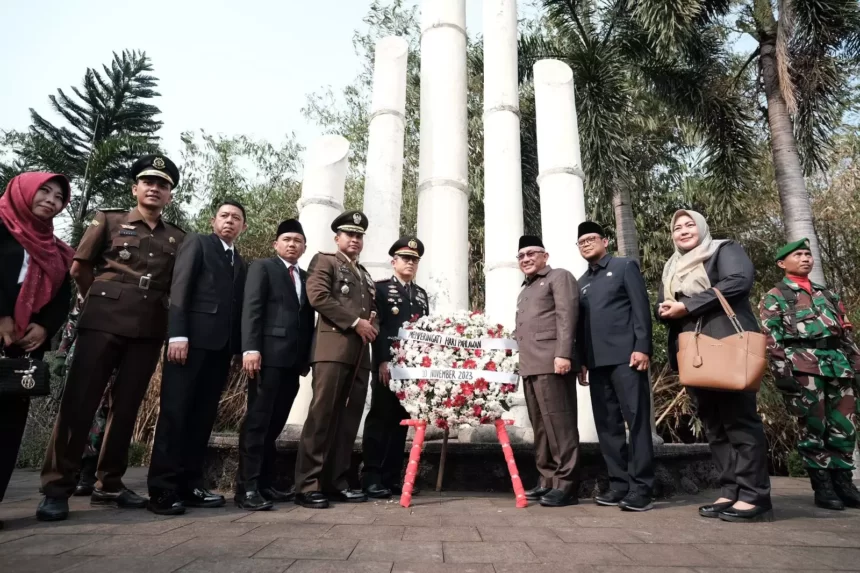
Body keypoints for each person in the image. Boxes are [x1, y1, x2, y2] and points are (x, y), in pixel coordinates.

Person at [38, 154, 186, 522]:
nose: (155, 188)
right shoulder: (109, 219)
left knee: (127, 408)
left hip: (149, 328)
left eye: (163, 184)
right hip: (102, 323)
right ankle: (57, 487)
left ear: (170, 195)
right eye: (148, 181)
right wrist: (103, 299)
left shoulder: (177, 237)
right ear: (135, 187)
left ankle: (110, 483)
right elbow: (81, 267)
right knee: (79, 403)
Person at [656, 209, 772, 523]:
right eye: (677, 227)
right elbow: (663, 303)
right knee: (714, 425)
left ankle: (754, 495)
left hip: (726, 344)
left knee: (739, 421)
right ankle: (730, 488)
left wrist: (688, 305)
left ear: (702, 227)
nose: (682, 230)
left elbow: (738, 282)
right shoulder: (672, 266)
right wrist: (664, 309)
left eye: (689, 224)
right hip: (692, 352)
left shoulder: (723, 249)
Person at [146, 200, 248, 515]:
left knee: (202, 417)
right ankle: (162, 490)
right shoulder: (199, 243)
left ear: (243, 227)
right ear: (213, 220)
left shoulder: (239, 262)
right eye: (225, 216)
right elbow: (180, 289)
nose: (230, 221)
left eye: (236, 218)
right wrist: (177, 334)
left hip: (220, 349)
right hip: (188, 344)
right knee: (176, 415)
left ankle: (189, 483)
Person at [760, 238, 860, 510]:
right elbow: (772, 339)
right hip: (804, 368)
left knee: (844, 426)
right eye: (799, 255)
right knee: (814, 427)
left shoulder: (828, 294)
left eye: (808, 254)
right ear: (783, 263)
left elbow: (845, 335)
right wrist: (782, 375)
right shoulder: (776, 295)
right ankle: (823, 486)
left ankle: (843, 482)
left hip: (838, 367)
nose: (806, 258)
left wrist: (856, 366)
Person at [0, 173, 74, 529]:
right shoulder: (2, 229)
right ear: (24, 190)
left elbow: (63, 294)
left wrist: (44, 326)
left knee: (8, 427)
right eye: (44, 191)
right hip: (1, 333)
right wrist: (2, 316)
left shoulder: (54, 248)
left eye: (58, 197)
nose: (51, 199)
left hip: (25, 349)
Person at [294, 210, 378, 509]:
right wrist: (357, 323)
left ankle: (335, 482)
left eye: (359, 236)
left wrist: (372, 324)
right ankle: (307, 485)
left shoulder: (365, 274)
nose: (354, 239)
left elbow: (373, 312)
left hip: (359, 355)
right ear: (337, 238)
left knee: (348, 420)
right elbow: (317, 296)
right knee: (322, 417)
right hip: (332, 351)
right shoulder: (325, 261)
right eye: (349, 234)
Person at [575, 221, 656, 511]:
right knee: (607, 427)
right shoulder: (581, 282)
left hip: (627, 359)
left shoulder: (623, 267)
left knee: (636, 422)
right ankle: (619, 484)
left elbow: (640, 308)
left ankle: (642, 487)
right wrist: (582, 361)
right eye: (581, 241)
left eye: (591, 238)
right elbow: (581, 327)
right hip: (597, 365)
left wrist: (642, 346)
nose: (586, 244)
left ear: (605, 241)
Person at [235, 219, 315, 511]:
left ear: (304, 246)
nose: (292, 244)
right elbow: (252, 308)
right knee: (257, 423)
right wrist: (251, 349)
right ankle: (247, 488)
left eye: (298, 240)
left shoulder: (305, 277)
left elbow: (306, 320)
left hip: (292, 362)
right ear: (276, 244)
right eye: (287, 239)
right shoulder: (263, 267)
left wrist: (305, 358)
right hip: (265, 358)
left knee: (275, 424)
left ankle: (265, 483)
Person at [514, 235, 580, 508]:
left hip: (553, 362)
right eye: (521, 256)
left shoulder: (559, 277)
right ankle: (547, 480)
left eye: (532, 253)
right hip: (530, 366)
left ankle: (567, 484)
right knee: (541, 427)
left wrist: (564, 353)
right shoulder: (525, 289)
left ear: (545, 256)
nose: (526, 259)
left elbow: (567, 315)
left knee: (560, 424)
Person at [361, 237, 429, 499]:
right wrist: (381, 360)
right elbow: (377, 327)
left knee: (401, 422)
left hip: (411, 371)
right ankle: (371, 477)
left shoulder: (421, 295)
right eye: (405, 259)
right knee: (380, 418)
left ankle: (391, 477)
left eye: (414, 260)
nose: (410, 263)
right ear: (394, 262)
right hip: (387, 366)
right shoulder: (380, 289)